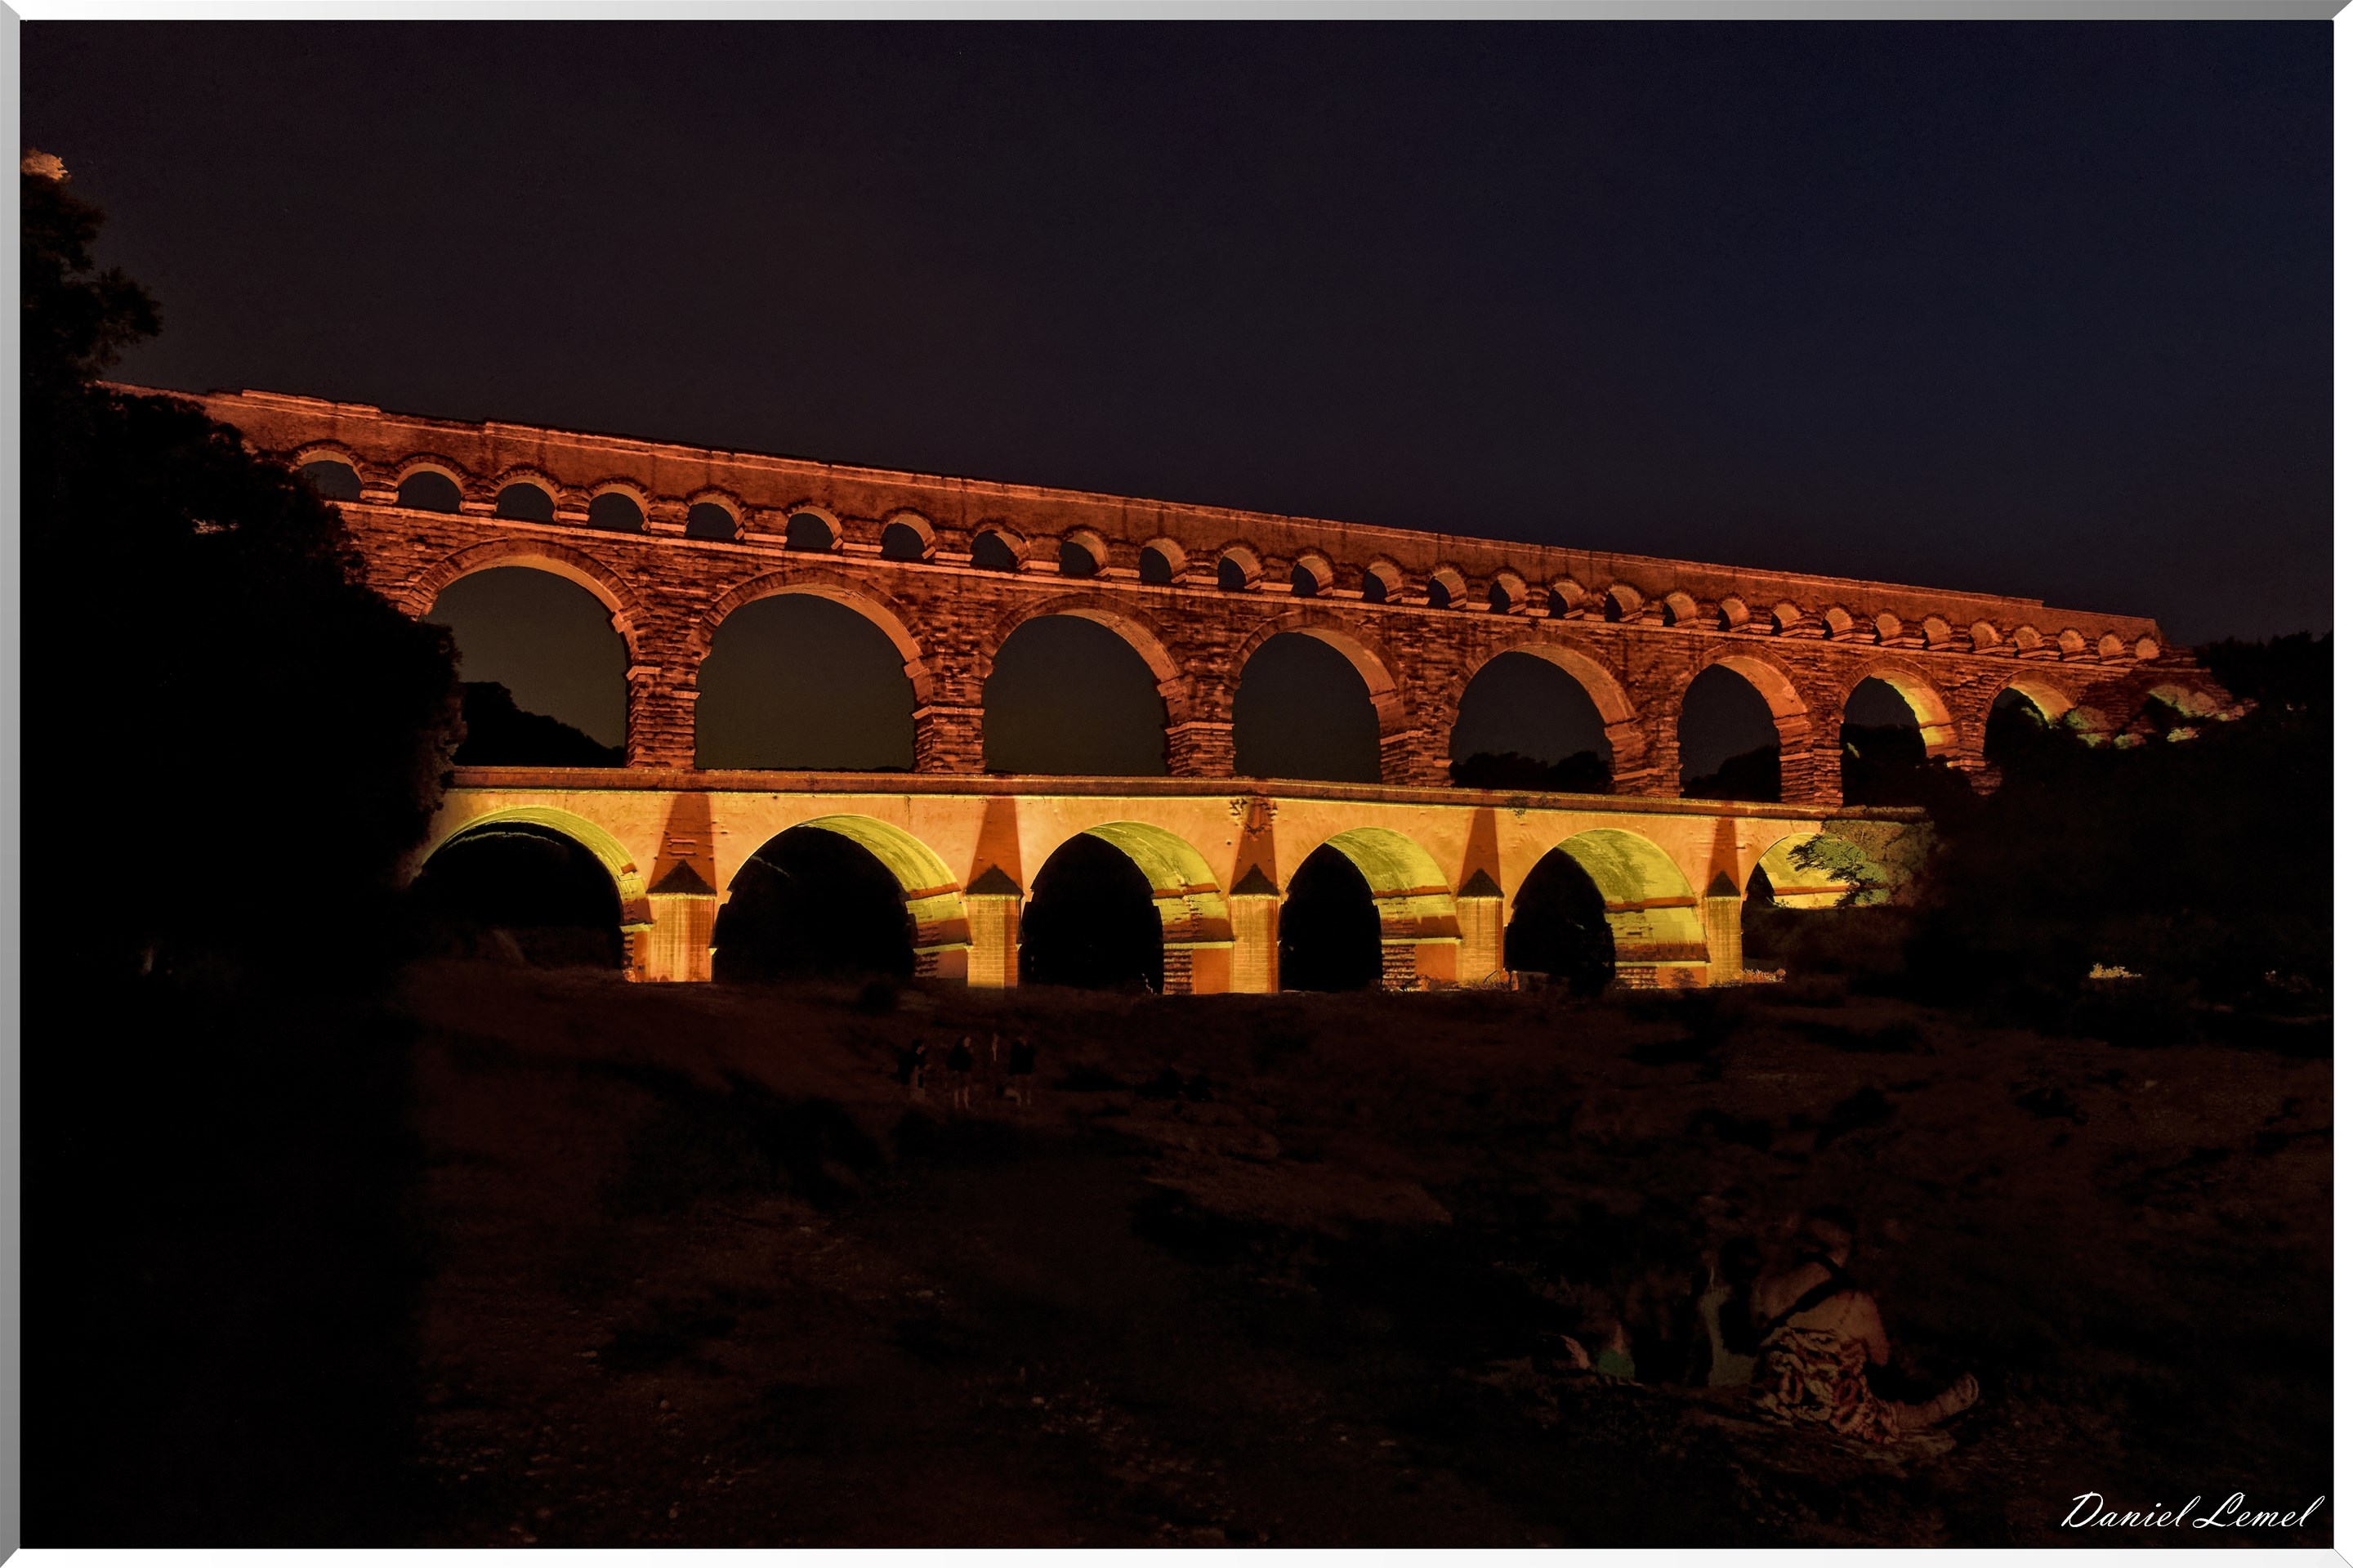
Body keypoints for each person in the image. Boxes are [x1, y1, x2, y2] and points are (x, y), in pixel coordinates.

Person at [1748, 1205, 1979, 1444]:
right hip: (1832, 1416)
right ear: (1845, 1250)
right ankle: (1941, 1408)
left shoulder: (1763, 1288)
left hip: (1772, 1404)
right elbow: (1881, 1359)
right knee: (1889, 1407)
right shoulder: (1855, 1303)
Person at [1691, 1235, 1766, 1388]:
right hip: (1754, 1383)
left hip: (1721, 1379)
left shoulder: (1709, 1302)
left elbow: (1701, 1347)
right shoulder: (1762, 1302)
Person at [947, 1034, 976, 1112]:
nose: (968, 1042)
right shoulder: (956, 1051)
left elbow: (971, 1062)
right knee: (956, 1089)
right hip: (958, 1072)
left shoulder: (968, 1051)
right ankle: (956, 1105)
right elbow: (950, 1061)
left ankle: (965, 1105)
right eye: (967, 1041)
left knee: (965, 1089)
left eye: (969, 1041)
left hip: (966, 1072)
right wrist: (954, 1069)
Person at [1007, 1037, 1037, 1108]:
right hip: (1019, 1070)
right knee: (1019, 1087)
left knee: (1027, 1087)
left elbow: (1032, 1056)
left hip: (1027, 1070)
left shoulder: (1030, 1046)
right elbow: (1013, 1057)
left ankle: (1028, 1101)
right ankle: (1019, 1101)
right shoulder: (1016, 1046)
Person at [907, 1038, 930, 1104]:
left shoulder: (921, 1056)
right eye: (922, 1045)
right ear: (919, 1047)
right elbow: (914, 1068)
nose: (924, 1047)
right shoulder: (914, 1056)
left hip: (920, 1077)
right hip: (915, 1076)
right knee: (915, 1092)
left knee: (920, 1089)